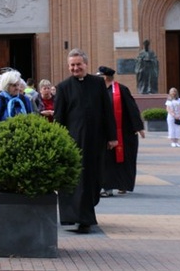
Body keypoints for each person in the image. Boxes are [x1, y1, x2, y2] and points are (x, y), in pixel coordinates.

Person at [54, 49, 117, 234]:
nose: (75, 68)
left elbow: (107, 110)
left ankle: (85, 216)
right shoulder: (63, 87)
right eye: (72, 65)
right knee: (75, 181)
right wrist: (59, 141)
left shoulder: (98, 83)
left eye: (78, 64)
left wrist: (112, 136)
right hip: (72, 143)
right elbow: (59, 117)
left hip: (95, 141)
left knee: (92, 179)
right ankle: (79, 219)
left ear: (86, 65)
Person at [96, 66, 145, 197]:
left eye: (99, 76)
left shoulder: (121, 90)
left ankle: (119, 185)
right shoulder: (98, 90)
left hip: (122, 132)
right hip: (104, 132)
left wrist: (138, 127)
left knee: (121, 160)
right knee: (106, 160)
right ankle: (108, 187)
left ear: (105, 77)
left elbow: (132, 108)